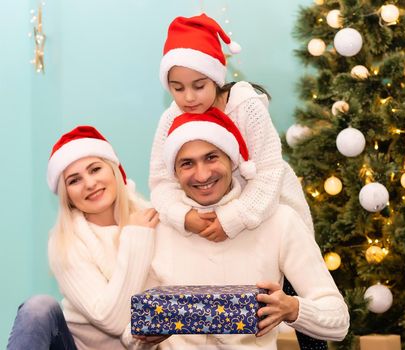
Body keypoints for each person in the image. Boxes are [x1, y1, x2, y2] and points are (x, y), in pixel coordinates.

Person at [150, 13, 325, 349]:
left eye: (198, 86)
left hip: (269, 210)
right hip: (218, 221)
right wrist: (183, 217)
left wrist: (233, 218)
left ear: (216, 76)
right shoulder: (171, 116)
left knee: (296, 299)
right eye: (177, 88)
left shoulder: (245, 106)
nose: (188, 97)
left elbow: (270, 172)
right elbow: (160, 180)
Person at [126, 109, 349, 349]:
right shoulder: (157, 227)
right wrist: (145, 337)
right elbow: (129, 335)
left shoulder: (279, 221)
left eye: (211, 157)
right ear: (175, 173)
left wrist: (293, 309)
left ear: (232, 160)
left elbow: (338, 321)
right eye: (187, 163)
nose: (202, 174)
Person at [7, 126, 159, 350]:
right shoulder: (65, 243)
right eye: (74, 180)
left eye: (95, 169)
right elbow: (112, 321)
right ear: (66, 195)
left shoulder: (152, 218)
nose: (89, 183)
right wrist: (135, 239)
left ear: (114, 170)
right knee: (39, 307)